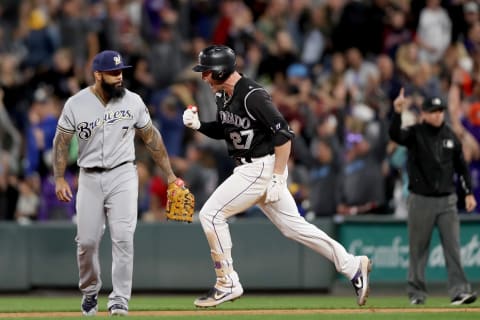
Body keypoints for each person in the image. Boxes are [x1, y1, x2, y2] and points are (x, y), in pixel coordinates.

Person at [182, 45, 372, 308]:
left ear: (221, 71)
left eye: (207, 72)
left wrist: (278, 176)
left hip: (260, 168)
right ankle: (352, 265)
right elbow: (227, 130)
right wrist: (200, 126)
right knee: (295, 228)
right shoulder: (223, 96)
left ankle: (227, 283)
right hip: (250, 168)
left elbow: (283, 134)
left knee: (210, 215)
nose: (204, 77)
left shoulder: (253, 95)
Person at [52, 50, 182, 316]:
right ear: (97, 75)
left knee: (124, 238)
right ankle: (90, 291)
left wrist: (169, 174)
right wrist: (58, 177)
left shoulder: (132, 101)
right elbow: (61, 142)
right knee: (86, 241)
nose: (119, 76)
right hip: (88, 176)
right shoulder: (76, 104)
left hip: (123, 174)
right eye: (112, 73)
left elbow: (152, 138)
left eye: (120, 71)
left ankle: (120, 297)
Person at [389, 88, 478, 305]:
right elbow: (395, 135)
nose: (438, 114)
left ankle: (459, 291)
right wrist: (397, 113)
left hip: (447, 200)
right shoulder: (415, 132)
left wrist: (468, 192)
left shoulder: (450, 135)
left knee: (453, 248)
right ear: (425, 113)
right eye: (433, 111)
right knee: (418, 249)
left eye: (440, 110)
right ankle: (416, 294)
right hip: (421, 200)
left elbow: (462, 167)